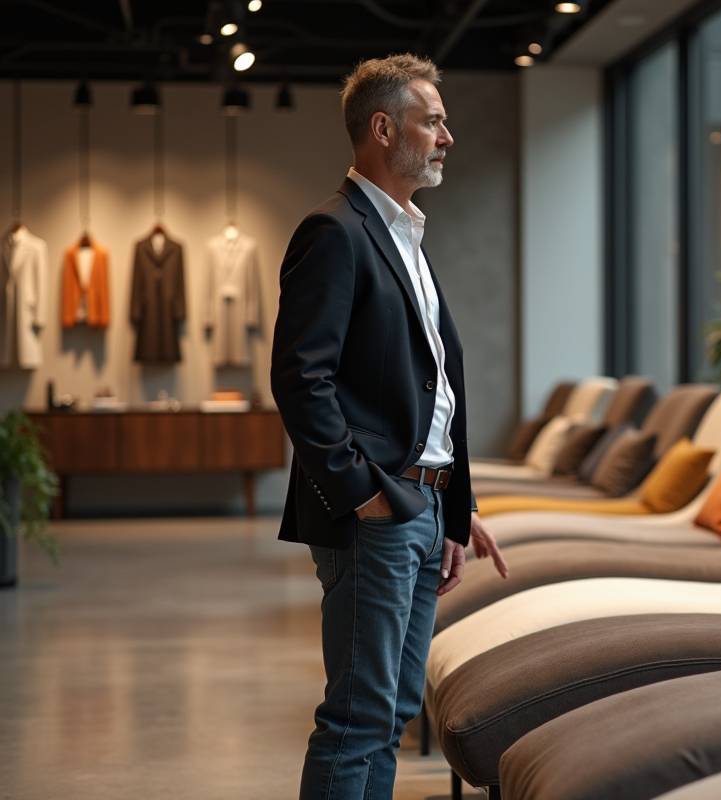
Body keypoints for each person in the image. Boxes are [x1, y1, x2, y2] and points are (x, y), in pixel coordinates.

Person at [271, 53, 509, 800]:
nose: (446, 135)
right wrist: (363, 495)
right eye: (431, 120)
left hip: (420, 507)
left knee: (394, 711)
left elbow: (435, 386)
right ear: (383, 129)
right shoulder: (334, 232)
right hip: (378, 511)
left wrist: (454, 504)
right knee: (357, 716)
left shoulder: (405, 237)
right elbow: (299, 380)